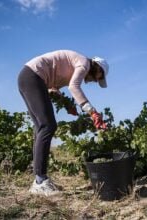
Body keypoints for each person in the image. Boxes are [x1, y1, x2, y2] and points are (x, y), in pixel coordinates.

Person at [18, 50, 109, 196]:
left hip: (28, 77)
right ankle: (40, 182)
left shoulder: (74, 66)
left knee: (40, 128)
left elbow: (53, 89)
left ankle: (39, 179)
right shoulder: (84, 63)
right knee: (48, 126)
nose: (95, 81)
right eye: (99, 78)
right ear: (97, 67)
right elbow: (74, 87)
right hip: (33, 77)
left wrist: (68, 106)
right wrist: (92, 112)